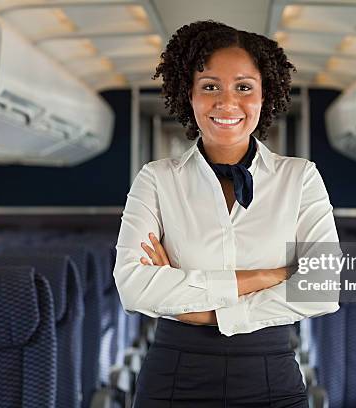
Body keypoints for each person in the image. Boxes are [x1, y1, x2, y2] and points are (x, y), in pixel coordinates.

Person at [113, 20, 340, 408]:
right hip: (174, 375)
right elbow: (133, 287)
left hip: (271, 374)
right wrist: (267, 276)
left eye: (244, 87)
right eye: (210, 86)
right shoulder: (157, 179)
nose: (226, 101)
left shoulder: (300, 177)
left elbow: (321, 287)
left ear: (265, 95)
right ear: (190, 94)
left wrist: (205, 313)